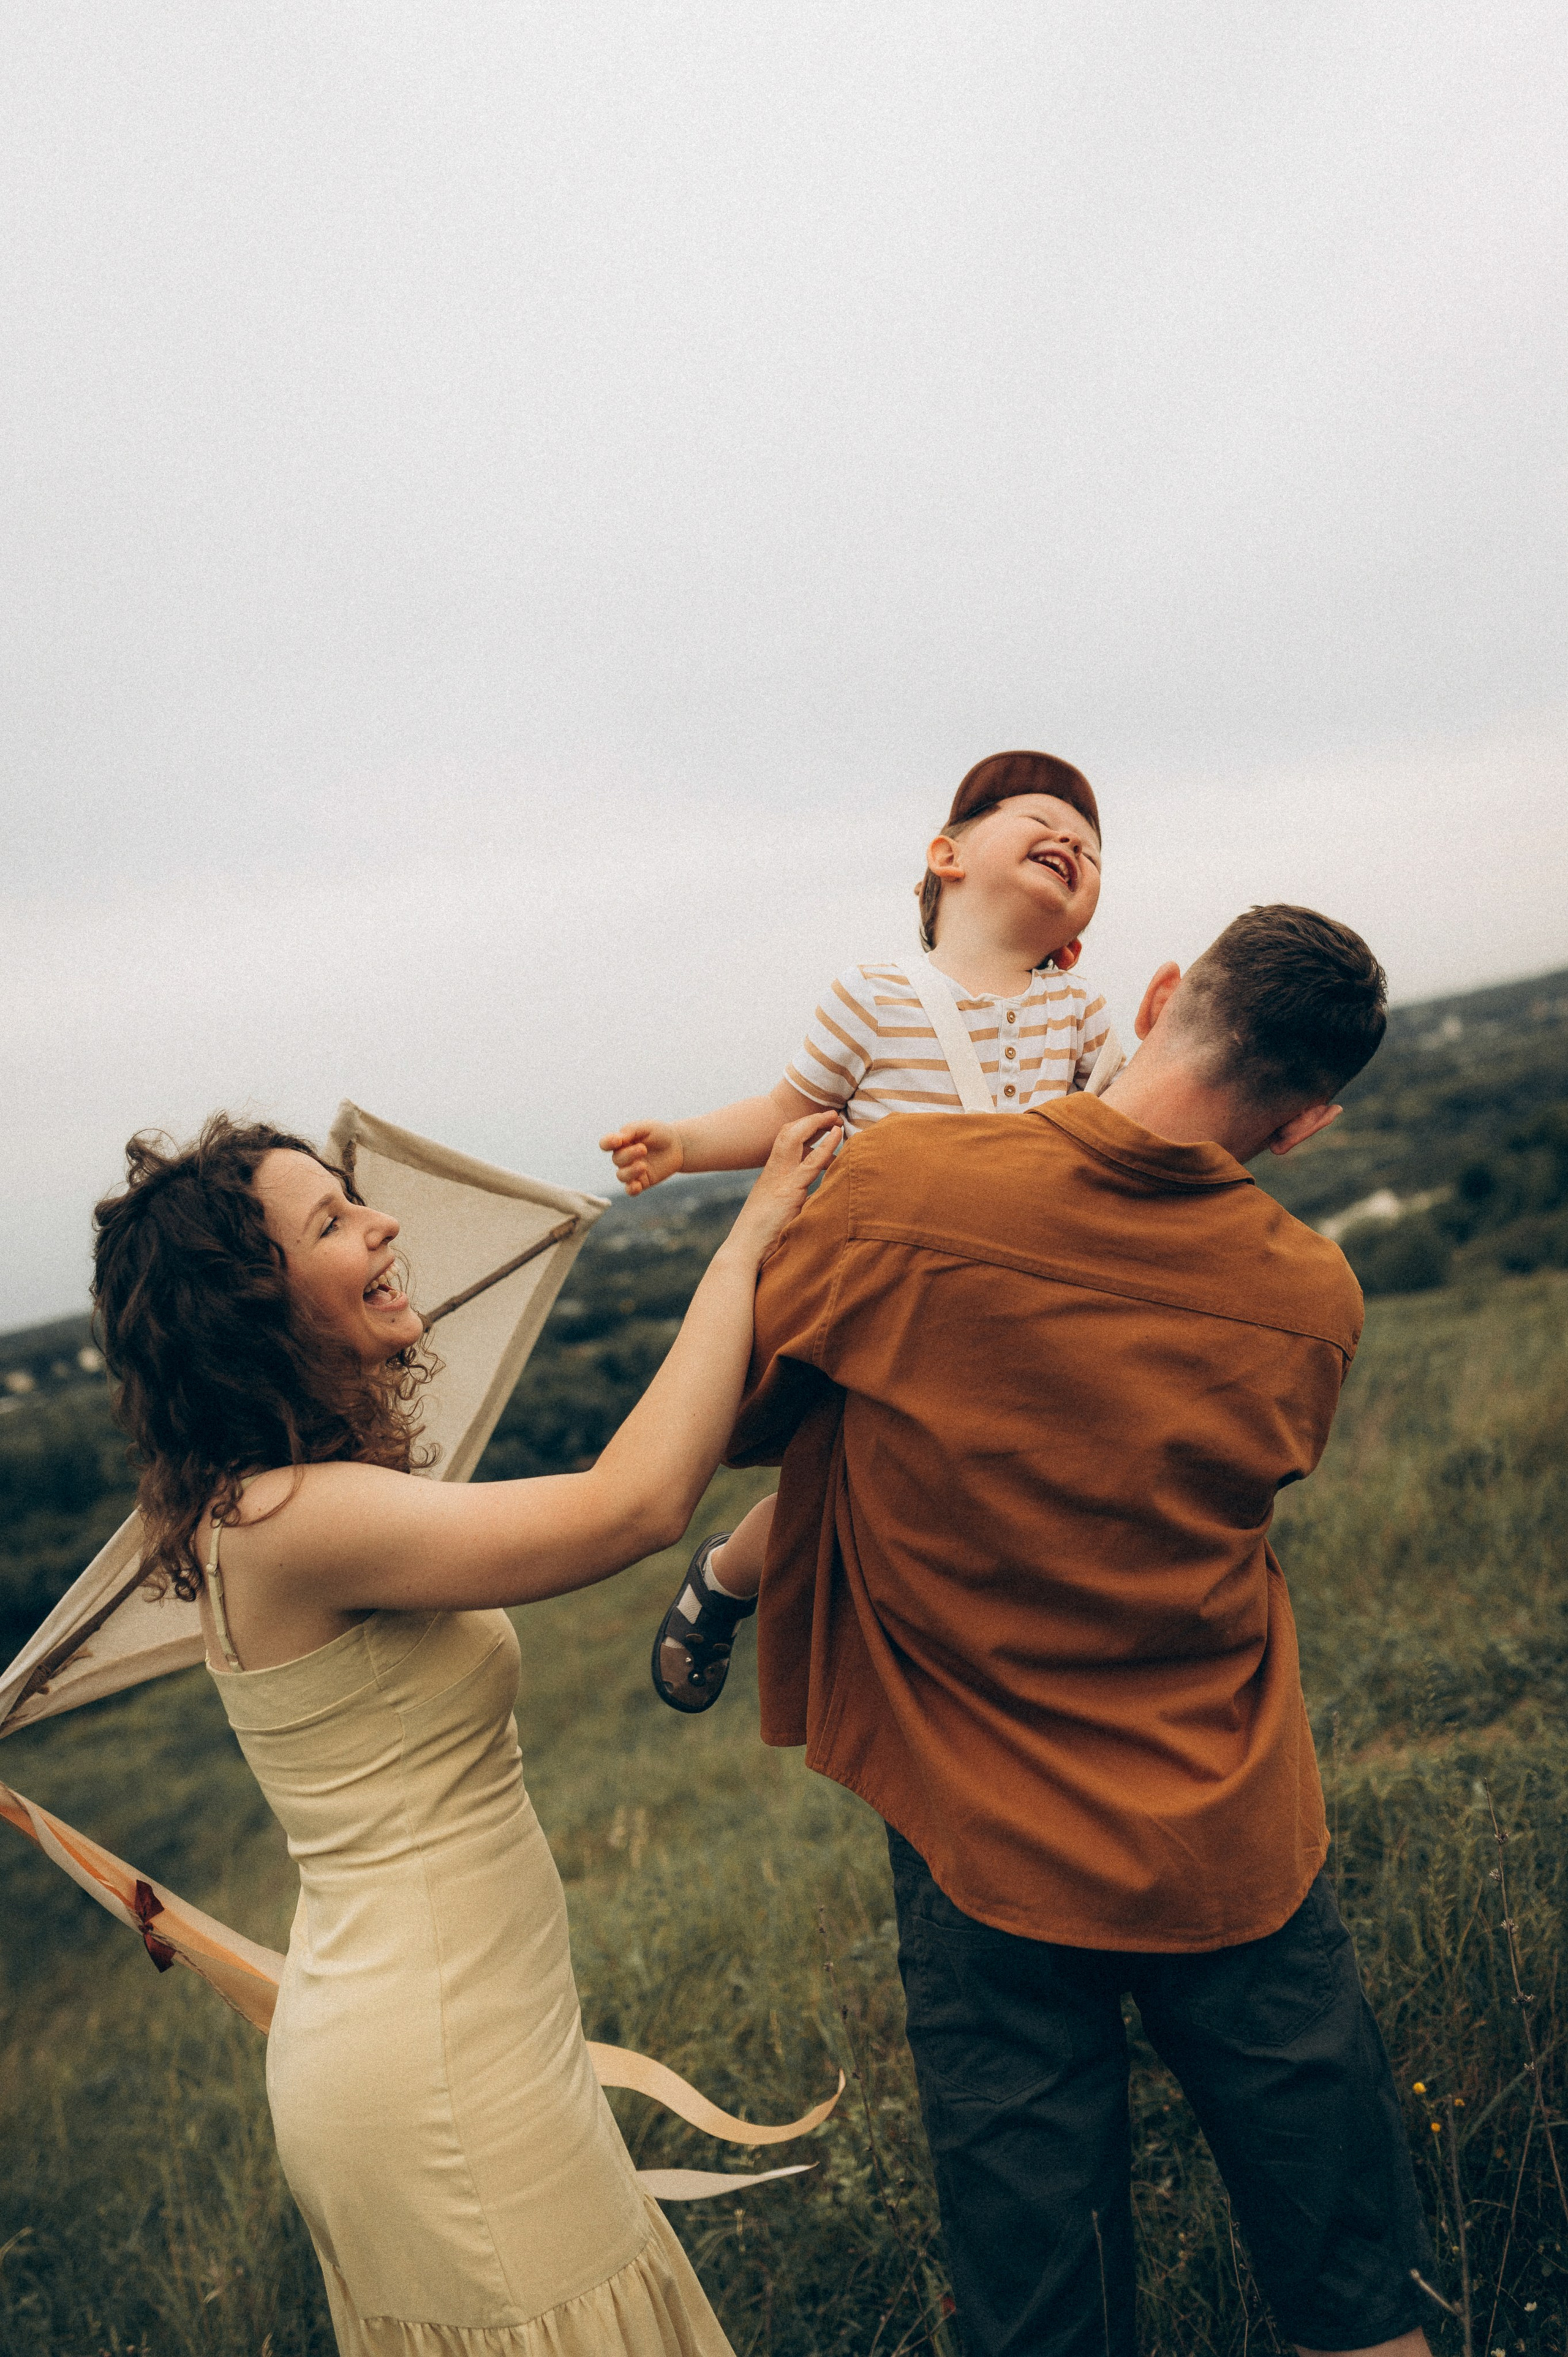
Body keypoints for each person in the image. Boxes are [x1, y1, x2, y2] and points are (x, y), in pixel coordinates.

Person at [725, 906, 1438, 2356]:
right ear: (1304, 1123)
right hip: (1227, 1832)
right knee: (1348, 2276)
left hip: (974, 1835)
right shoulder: (1314, 1299)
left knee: (1041, 2299)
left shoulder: (899, 1181)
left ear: (1161, 994)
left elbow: (740, 1414)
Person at [89, 1104, 839, 2357]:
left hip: (437, 2037)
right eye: (330, 1220)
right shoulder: (293, 1519)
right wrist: (745, 1235)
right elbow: (635, 1506)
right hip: (437, 2071)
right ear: (250, 1307)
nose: (383, 1224)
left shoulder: (274, 1507)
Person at [599, 751, 1120, 1714]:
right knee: (856, 1496)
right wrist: (682, 1142)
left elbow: (1122, 1130)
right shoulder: (874, 998)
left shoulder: (1079, 1012)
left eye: (1091, 848)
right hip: (897, 1305)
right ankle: (731, 1574)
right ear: (947, 857)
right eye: (1045, 820)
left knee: (998, 1503)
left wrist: (1171, 1048)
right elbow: (782, 1109)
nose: (1074, 842)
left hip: (1027, 1305)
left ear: (1080, 936)